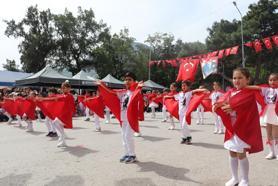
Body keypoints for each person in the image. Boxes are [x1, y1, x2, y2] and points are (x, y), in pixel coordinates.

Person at [214, 68, 263, 186]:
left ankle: (245, 179)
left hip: (242, 128)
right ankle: (234, 177)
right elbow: (221, 101)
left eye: (240, 78)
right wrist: (216, 106)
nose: (237, 80)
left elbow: (246, 107)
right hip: (231, 128)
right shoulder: (230, 92)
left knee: (241, 153)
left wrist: (233, 107)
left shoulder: (250, 93)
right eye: (235, 78)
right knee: (231, 152)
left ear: (248, 79)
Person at [98, 72, 144, 163]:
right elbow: (110, 92)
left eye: (130, 79)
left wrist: (139, 87)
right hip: (123, 118)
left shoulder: (135, 91)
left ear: (134, 81)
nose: (127, 81)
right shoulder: (123, 92)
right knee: (123, 136)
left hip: (131, 118)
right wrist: (101, 85)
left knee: (128, 136)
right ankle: (127, 153)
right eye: (126, 79)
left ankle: (132, 155)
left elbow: (138, 97)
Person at [245, 73, 278, 160]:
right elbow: (256, 87)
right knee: (269, 134)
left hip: (276, 114)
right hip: (267, 113)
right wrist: (244, 86)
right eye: (270, 80)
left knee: (276, 134)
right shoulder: (266, 89)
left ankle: (277, 153)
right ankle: (272, 152)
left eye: (275, 80)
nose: (272, 82)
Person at [37, 82, 75, 147]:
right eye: (62, 88)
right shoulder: (63, 95)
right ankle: (63, 139)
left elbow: (56, 98)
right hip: (62, 114)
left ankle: (63, 138)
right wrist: (43, 99)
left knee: (55, 122)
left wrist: (43, 99)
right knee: (57, 124)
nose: (62, 89)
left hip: (66, 115)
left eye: (64, 88)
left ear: (69, 88)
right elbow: (54, 98)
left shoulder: (69, 96)